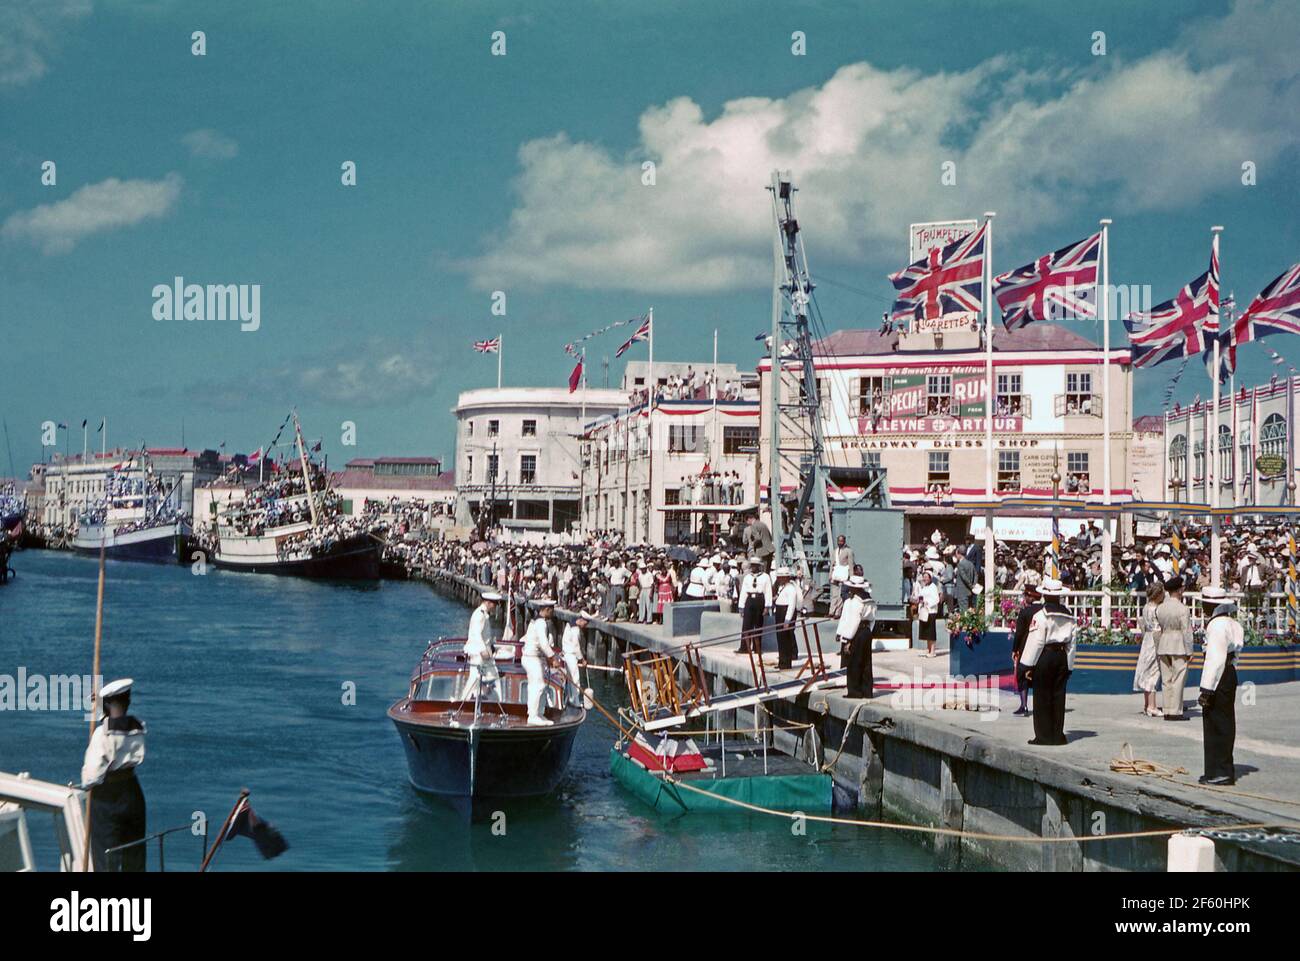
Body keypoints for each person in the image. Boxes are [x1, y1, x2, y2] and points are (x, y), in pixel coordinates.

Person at [80, 678, 147, 872]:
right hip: (133, 791)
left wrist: (86, 784)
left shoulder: (101, 734)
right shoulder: (138, 727)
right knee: (133, 851)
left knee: (105, 852)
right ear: (128, 701)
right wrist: (101, 706)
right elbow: (117, 727)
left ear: (108, 705)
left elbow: (91, 777)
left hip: (107, 795)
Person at [1020, 577, 1076, 746]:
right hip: (1061, 657)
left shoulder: (1041, 616)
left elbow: (1036, 642)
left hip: (1044, 656)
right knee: (1058, 696)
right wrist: (1070, 665)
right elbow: (1072, 644)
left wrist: (1026, 665)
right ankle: (1057, 734)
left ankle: (1043, 736)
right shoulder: (1069, 615)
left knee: (1042, 696)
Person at [1197, 586, 1244, 785]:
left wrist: (1206, 689)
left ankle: (1219, 771)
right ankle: (1222, 768)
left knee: (1215, 723)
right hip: (1229, 673)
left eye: (1204, 604)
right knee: (1225, 721)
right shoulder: (1233, 624)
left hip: (1219, 676)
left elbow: (1215, 660)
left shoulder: (1216, 626)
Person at [1155, 576, 1193, 721]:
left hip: (1164, 643)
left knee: (1166, 679)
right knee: (1178, 678)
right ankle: (1176, 711)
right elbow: (1187, 631)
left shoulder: (1160, 608)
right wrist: (1190, 651)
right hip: (1178, 645)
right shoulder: (1183, 608)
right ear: (1178, 590)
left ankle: (1167, 709)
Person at [836, 576, 876, 698]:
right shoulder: (869, 600)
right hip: (866, 631)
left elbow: (853, 621)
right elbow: (872, 619)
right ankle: (867, 691)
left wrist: (847, 639)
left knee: (854, 662)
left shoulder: (854, 602)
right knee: (866, 662)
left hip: (856, 632)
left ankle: (854, 691)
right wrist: (869, 631)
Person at [521, 598, 558, 725]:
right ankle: (533, 716)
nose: (553, 613)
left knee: (537, 685)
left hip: (534, 657)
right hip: (532, 658)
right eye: (552, 610)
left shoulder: (534, 621)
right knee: (538, 686)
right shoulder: (541, 623)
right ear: (547, 610)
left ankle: (539, 713)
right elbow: (543, 643)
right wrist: (553, 658)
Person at [461, 590, 501, 700]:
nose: (495, 607)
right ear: (488, 603)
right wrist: (483, 650)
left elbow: (484, 635)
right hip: (478, 651)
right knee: (475, 677)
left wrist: (491, 647)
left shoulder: (483, 614)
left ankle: (484, 698)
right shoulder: (479, 614)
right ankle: (464, 700)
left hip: (484, 650)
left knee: (491, 676)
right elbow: (476, 634)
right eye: (494, 604)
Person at [1133, 581, 1165, 717]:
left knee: (1146, 670)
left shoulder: (1146, 607)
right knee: (1153, 671)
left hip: (1147, 639)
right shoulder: (1156, 609)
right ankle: (1152, 706)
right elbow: (1158, 627)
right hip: (1155, 640)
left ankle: (1147, 704)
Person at [1010, 581, 1042, 716]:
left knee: (1022, 675)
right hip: (1041, 647)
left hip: (1026, 647)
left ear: (1031, 597)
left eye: (1026, 596)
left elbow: (1019, 633)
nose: (1024, 598)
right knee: (1039, 677)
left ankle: (1024, 705)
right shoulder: (1043, 610)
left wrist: (1014, 649)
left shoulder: (1025, 612)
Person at [736, 556, 772, 654]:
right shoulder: (747, 577)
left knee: (758, 624)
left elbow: (768, 592)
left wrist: (767, 606)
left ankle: (757, 648)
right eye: (752, 565)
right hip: (749, 600)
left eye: (755, 566)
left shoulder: (765, 577)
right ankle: (744, 648)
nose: (753, 567)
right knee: (746, 625)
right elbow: (743, 592)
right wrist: (741, 606)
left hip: (760, 599)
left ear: (759, 566)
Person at [772, 566, 802, 669]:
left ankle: (786, 662)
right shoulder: (783, 587)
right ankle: (782, 661)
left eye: (781, 577)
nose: (779, 579)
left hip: (785, 612)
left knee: (786, 639)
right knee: (780, 638)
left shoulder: (791, 588)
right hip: (780, 611)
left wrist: (787, 620)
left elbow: (792, 605)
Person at [561, 611, 591, 703]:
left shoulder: (569, 624)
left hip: (566, 654)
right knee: (575, 679)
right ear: (581, 620)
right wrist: (582, 660)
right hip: (571, 655)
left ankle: (570, 699)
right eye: (585, 624)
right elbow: (576, 646)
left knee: (569, 680)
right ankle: (576, 701)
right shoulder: (575, 630)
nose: (584, 627)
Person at [913, 569, 942, 658]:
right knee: (926, 632)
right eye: (923, 577)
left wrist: (927, 602)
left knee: (931, 632)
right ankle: (929, 649)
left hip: (931, 612)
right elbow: (921, 596)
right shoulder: (924, 587)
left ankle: (932, 651)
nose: (924, 579)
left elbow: (936, 599)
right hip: (924, 611)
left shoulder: (933, 586)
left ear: (930, 578)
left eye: (926, 577)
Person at [829, 535, 854, 616]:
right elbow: (832, 564)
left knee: (840, 595)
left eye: (841, 541)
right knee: (834, 594)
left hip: (843, 576)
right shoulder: (835, 551)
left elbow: (851, 564)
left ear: (844, 541)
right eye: (839, 541)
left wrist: (851, 576)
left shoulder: (848, 551)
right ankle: (831, 611)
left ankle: (838, 612)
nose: (840, 543)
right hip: (835, 575)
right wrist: (830, 575)